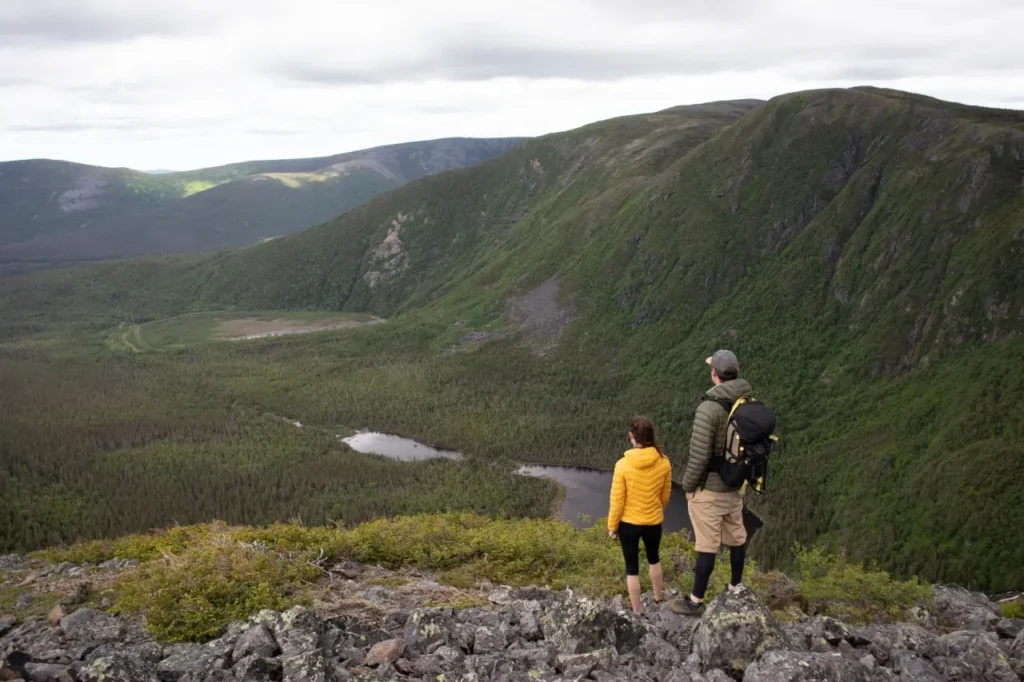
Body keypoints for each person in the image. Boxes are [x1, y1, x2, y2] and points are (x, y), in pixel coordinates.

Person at [669, 350, 752, 616]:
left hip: (710, 488)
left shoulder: (709, 408)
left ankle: (695, 602)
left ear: (714, 374)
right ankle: (736, 588)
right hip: (735, 485)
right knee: (737, 538)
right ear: (737, 372)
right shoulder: (747, 402)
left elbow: (700, 455)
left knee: (707, 545)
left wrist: (688, 487)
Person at [607, 416, 673, 616]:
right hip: (653, 522)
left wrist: (612, 526)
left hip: (629, 524)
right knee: (654, 559)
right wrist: (655, 510)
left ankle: (637, 612)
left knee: (632, 568)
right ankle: (659, 598)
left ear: (631, 436)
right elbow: (665, 496)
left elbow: (617, 501)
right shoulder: (664, 462)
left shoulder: (622, 465)